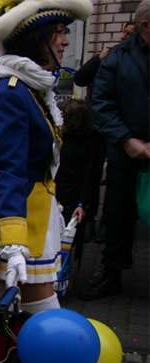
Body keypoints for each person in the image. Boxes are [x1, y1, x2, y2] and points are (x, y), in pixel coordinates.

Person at [0, 0, 93, 314]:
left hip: (31, 210)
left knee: (14, 314)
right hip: (11, 213)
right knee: (38, 314)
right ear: (35, 40)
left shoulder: (29, 89)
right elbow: (8, 170)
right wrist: (13, 242)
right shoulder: (11, 94)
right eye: (58, 33)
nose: (65, 41)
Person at [82, 0, 150, 300]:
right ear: (146, 26)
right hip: (126, 153)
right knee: (118, 214)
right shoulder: (118, 57)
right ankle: (111, 273)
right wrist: (127, 140)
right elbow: (101, 103)